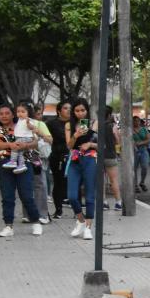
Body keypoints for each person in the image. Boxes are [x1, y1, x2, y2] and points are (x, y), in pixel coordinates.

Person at [0, 104, 42, 237]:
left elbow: (36, 142)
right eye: (1, 114)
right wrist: (9, 145)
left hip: (24, 162)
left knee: (27, 195)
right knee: (7, 196)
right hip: (5, 163)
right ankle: (8, 226)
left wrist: (26, 145)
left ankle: (36, 222)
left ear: (13, 114)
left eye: (7, 113)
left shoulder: (23, 124)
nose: (4, 116)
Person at [64, 98, 97, 240]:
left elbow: (102, 145)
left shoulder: (94, 123)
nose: (80, 113)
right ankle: (81, 220)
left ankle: (89, 227)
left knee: (89, 195)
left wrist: (90, 143)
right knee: (71, 196)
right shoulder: (69, 125)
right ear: (73, 112)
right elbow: (69, 146)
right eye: (77, 111)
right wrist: (76, 135)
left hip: (90, 159)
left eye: (83, 110)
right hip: (75, 160)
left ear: (87, 111)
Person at [47, 101, 71, 219]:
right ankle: (58, 209)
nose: (68, 110)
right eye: (65, 108)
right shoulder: (52, 123)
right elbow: (50, 138)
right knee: (58, 182)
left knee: (74, 182)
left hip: (74, 156)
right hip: (58, 157)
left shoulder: (76, 123)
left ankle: (77, 209)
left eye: (70, 108)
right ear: (59, 111)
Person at [98, 107, 122, 210]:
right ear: (109, 115)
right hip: (110, 155)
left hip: (98, 156)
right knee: (114, 180)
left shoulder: (96, 125)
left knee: (101, 180)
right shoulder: (113, 126)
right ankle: (118, 203)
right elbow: (117, 141)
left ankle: (104, 202)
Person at [131, 116, 150, 192]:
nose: (136, 122)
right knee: (134, 169)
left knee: (145, 167)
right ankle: (135, 185)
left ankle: (142, 182)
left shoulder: (144, 129)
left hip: (143, 150)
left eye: (137, 121)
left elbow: (148, 139)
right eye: (134, 121)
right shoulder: (130, 130)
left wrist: (140, 143)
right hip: (134, 151)